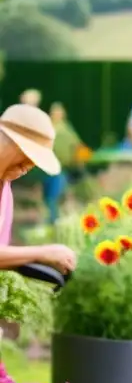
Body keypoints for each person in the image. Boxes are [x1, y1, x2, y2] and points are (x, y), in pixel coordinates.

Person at [0, 103, 76, 274]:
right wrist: (41, 253)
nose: (28, 166)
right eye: (26, 155)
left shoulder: (5, 189)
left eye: (34, 161)